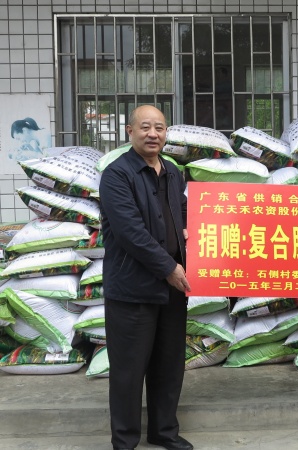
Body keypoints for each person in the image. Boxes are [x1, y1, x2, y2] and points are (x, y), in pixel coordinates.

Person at [99, 105, 194, 450]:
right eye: (145, 127)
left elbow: (182, 211)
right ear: (130, 131)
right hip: (133, 289)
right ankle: (125, 441)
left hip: (172, 290)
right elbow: (131, 233)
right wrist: (169, 268)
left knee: (169, 365)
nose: (153, 134)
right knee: (128, 370)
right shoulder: (116, 175)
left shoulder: (173, 172)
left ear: (166, 133)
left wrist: (193, 232)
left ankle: (164, 431)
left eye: (160, 128)